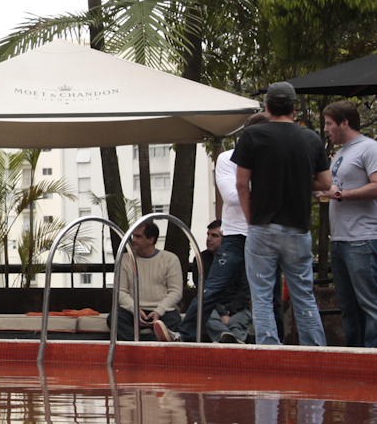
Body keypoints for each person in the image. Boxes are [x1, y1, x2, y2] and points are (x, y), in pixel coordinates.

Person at [233, 82, 331, 347]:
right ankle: (317, 354)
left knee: (262, 296)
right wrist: (297, 181)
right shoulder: (311, 138)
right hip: (298, 229)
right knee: (304, 295)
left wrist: (250, 218)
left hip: (262, 226)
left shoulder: (252, 137)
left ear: (267, 107)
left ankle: (270, 355)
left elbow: (242, 183)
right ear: (294, 108)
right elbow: (325, 183)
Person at [170, 113, 271, 343]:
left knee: (269, 291)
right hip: (236, 234)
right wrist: (267, 189)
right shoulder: (228, 158)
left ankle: (273, 343)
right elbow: (232, 196)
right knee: (212, 287)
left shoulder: (273, 158)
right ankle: (184, 335)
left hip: (266, 232)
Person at [318, 99, 377, 348]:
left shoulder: (369, 148)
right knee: (347, 306)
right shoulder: (340, 153)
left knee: (369, 303)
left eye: (329, 124)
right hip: (341, 240)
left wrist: (340, 195)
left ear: (345, 122)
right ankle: (354, 356)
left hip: (362, 238)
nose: (326, 129)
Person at [113, 220, 182, 341]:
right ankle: (139, 347)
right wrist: (135, 309)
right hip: (133, 309)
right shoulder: (125, 259)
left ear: (151, 240)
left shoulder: (170, 259)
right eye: (133, 236)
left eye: (138, 236)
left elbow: (175, 291)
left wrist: (159, 311)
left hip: (162, 309)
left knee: (175, 321)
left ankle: (145, 347)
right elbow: (120, 291)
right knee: (115, 318)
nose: (133, 240)